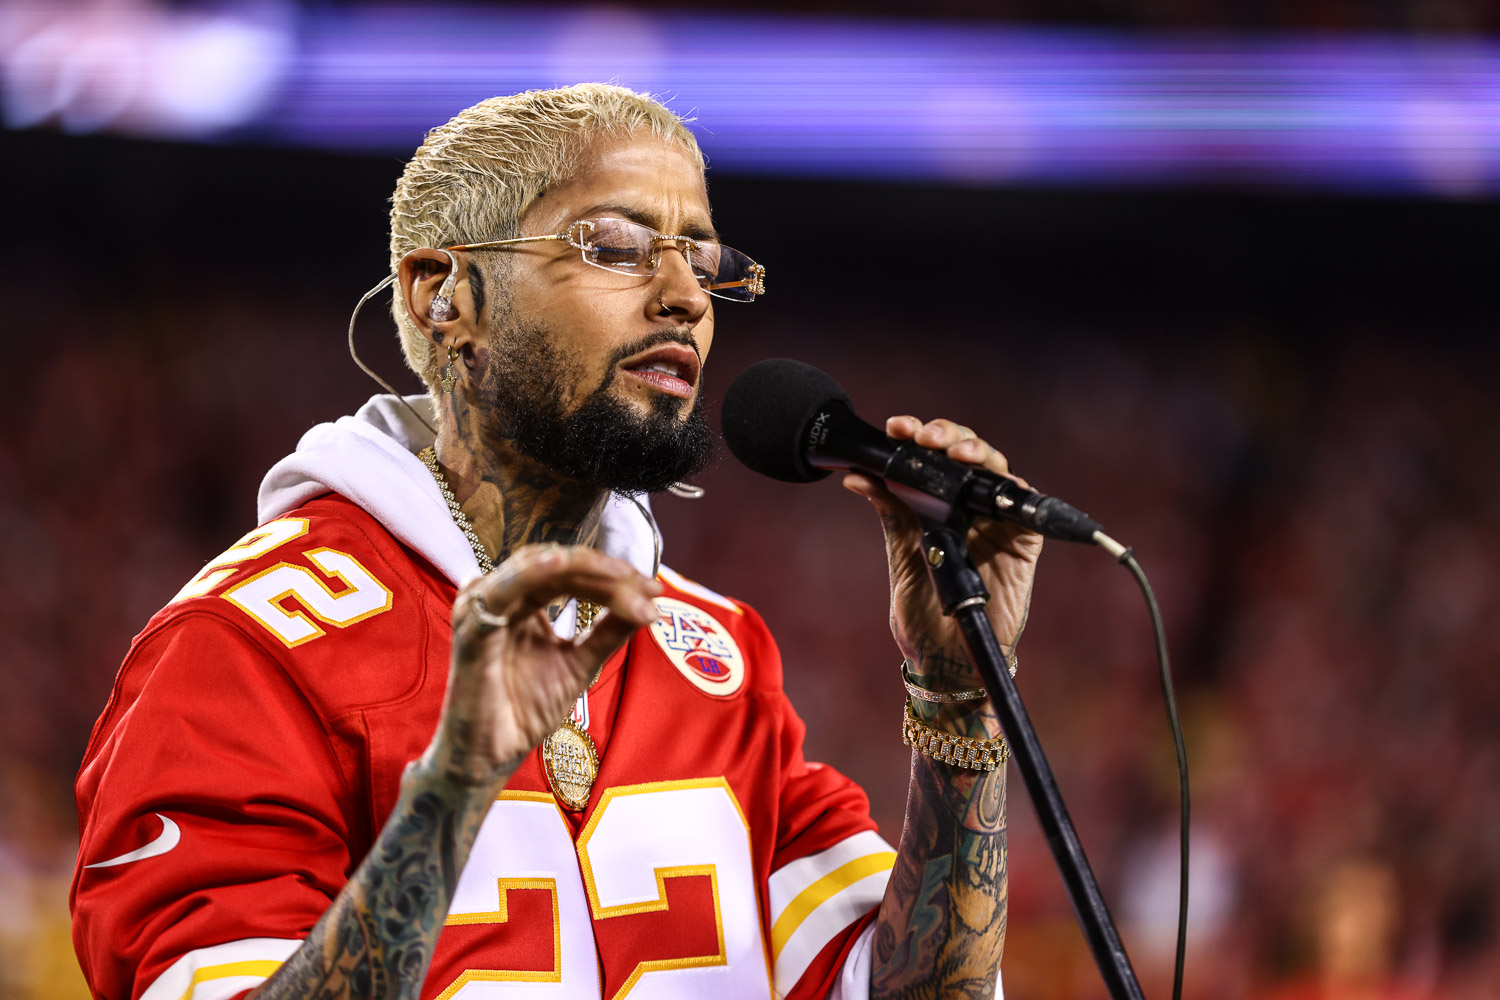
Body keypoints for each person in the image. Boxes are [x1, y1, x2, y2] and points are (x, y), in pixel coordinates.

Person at [70, 84, 1041, 1000]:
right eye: (617, 248)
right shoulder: (238, 647)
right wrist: (451, 792)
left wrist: (960, 697)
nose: (684, 298)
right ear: (443, 294)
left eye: (704, 264)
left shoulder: (716, 651)